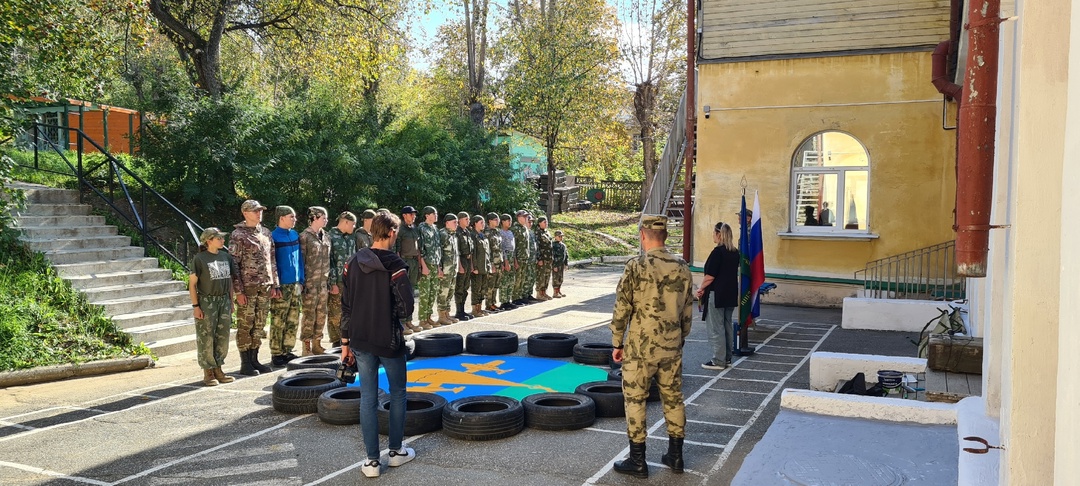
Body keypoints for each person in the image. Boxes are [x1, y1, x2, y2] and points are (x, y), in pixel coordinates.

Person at [609, 214, 693, 478]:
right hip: (671, 346)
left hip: (640, 347)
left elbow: (622, 307)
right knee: (673, 398)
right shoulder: (682, 267)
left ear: (643, 235)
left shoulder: (636, 266)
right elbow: (687, 312)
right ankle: (676, 456)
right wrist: (680, 339)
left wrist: (616, 341)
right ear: (665, 236)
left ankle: (637, 461)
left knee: (635, 398)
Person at [339, 212, 416, 479]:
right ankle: (395, 452)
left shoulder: (352, 262)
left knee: (368, 398)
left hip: (359, 339)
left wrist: (344, 342)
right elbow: (406, 307)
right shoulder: (396, 265)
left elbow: (345, 306)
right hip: (388, 339)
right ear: (392, 232)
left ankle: (371, 461)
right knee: (397, 394)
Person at [229, 199, 277, 376]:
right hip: (247, 288)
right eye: (255, 211)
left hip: (264, 286)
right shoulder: (238, 235)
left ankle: (255, 359)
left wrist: (274, 284)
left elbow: (271, 260)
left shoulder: (265, 233)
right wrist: (238, 291)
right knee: (245, 324)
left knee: (259, 324)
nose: (259, 213)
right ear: (245, 213)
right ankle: (245, 362)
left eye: (260, 210)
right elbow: (233, 264)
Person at [189, 227, 238, 386]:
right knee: (206, 337)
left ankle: (218, 368)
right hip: (207, 302)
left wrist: (231, 302)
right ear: (209, 240)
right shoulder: (200, 259)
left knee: (222, 336)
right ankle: (208, 372)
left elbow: (229, 281)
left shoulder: (226, 257)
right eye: (219, 238)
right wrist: (196, 306)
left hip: (223, 300)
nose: (223, 241)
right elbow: (192, 285)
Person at [695, 222, 739, 370]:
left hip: (717, 293)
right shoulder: (734, 252)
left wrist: (701, 289)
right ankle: (726, 358)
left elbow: (710, 276)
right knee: (727, 326)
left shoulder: (717, 252)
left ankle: (718, 360)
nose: (712, 236)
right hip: (731, 293)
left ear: (719, 234)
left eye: (714, 233)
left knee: (716, 327)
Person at [269, 205, 304, 367]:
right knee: (278, 319)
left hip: (296, 284)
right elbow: (272, 263)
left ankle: (287, 349)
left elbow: (299, 260)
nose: (294, 219)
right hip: (282, 285)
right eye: (292, 217)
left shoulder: (295, 234)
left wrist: (301, 280)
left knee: (293, 319)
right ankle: (276, 353)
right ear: (281, 218)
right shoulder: (273, 237)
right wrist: (275, 285)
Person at [299, 206, 331, 356]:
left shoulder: (326, 236)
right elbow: (301, 260)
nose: (326, 220)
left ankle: (317, 343)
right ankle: (306, 347)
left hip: (323, 283)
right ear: (315, 218)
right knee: (309, 315)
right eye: (324, 217)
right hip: (310, 283)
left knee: (321, 314)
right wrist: (302, 282)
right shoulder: (305, 236)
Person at [327, 211, 357, 348]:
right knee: (335, 312)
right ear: (345, 222)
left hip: (350, 280)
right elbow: (329, 261)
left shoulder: (351, 238)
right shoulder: (330, 236)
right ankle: (336, 340)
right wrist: (332, 282)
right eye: (353, 223)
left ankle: (347, 337)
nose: (354, 226)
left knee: (349, 311)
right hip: (337, 281)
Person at [417, 206, 441, 330]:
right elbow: (419, 249)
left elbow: (437, 249)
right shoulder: (421, 228)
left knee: (433, 292)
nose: (436, 215)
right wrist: (423, 266)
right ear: (427, 215)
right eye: (433, 213)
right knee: (425, 293)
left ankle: (428, 317)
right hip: (426, 264)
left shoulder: (435, 229)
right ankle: (422, 319)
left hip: (434, 264)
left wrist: (439, 267)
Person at [436, 213, 460, 327]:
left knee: (450, 291)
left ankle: (447, 313)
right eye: (454, 222)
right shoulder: (442, 234)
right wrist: (439, 268)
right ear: (447, 223)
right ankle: (441, 316)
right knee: (443, 292)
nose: (457, 224)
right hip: (445, 269)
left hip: (452, 268)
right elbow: (438, 252)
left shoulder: (453, 235)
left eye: (457, 222)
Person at [453, 211, 475, 321]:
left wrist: (471, 265)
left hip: (467, 260)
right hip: (461, 260)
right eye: (466, 219)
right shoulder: (457, 232)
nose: (468, 221)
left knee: (466, 287)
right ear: (460, 220)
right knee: (460, 287)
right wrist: (460, 265)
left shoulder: (467, 232)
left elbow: (470, 250)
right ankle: (458, 311)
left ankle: (462, 310)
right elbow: (457, 250)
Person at [470, 215, 491, 317]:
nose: (483, 224)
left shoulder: (483, 235)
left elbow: (487, 252)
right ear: (475, 224)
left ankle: (480, 308)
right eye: (481, 222)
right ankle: (475, 309)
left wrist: (488, 265)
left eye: (483, 222)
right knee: (476, 288)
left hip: (484, 267)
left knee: (483, 288)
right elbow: (473, 253)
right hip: (477, 267)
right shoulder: (473, 236)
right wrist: (474, 267)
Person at [394, 206, 421, 287]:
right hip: (404, 260)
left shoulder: (415, 228)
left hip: (414, 261)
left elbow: (418, 247)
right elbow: (397, 248)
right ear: (404, 215)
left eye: (414, 215)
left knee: (412, 286)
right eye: (411, 214)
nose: (414, 216)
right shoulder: (400, 229)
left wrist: (419, 264)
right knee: (403, 286)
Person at [484, 212, 504, 314]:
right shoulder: (487, 233)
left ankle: (493, 302)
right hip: (492, 263)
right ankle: (488, 304)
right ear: (490, 221)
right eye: (495, 219)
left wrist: (502, 262)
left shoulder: (497, 232)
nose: (498, 221)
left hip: (499, 261)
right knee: (490, 285)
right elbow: (488, 250)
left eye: (498, 219)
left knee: (496, 284)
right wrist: (491, 263)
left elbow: (500, 248)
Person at [510, 210, 531, 305]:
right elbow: (513, 246)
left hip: (525, 257)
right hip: (518, 258)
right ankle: (515, 298)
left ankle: (519, 296)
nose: (526, 218)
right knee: (517, 279)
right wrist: (514, 260)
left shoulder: (524, 228)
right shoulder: (515, 229)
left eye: (527, 216)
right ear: (518, 217)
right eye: (524, 216)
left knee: (522, 278)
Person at [498, 214, 518, 310]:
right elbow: (502, 248)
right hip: (505, 257)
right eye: (507, 220)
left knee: (511, 280)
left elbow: (513, 248)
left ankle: (508, 300)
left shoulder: (510, 232)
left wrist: (515, 261)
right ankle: (503, 301)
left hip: (511, 256)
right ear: (502, 221)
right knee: (504, 280)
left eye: (510, 220)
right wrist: (505, 261)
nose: (509, 222)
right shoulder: (500, 233)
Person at [534, 215, 554, 300]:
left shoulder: (547, 232)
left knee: (547, 276)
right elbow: (537, 247)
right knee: (541, 276)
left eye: (547, 222)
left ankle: (544, 292)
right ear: (539, 223)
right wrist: (539, 258)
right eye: (544, 222)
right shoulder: (537, 233)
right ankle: (539, 293)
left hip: (548, 258)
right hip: (542, 258)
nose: (546, 223)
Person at [551, 229, 568, 298]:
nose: (561, 238)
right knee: (556, 278)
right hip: (556, 264)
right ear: (555, 237)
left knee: (560, 278)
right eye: (559, 236)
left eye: (561, 236)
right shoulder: (553, 245)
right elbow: (552, 256)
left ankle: (559, 290)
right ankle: (555, 292)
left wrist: (566, 264)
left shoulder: (563, 245)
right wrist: (554, 265)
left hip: (561, 264)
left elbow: (566, 255)